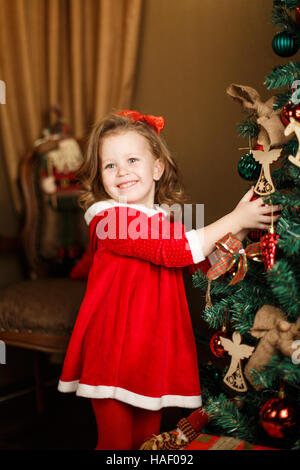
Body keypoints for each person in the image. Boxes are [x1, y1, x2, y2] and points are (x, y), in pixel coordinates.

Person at [58, 110, 281, 450]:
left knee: (147, 443)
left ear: (157, 168)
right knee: (116, 443)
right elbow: (175, 251)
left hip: (152, 352)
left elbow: (208, 262)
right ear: (100, 176)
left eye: (132, 159)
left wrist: (241, 224)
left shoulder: (166, 223)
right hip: (113, 350)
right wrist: (233, 218)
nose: (122, 172)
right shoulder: (109, 220)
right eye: (110, 165)